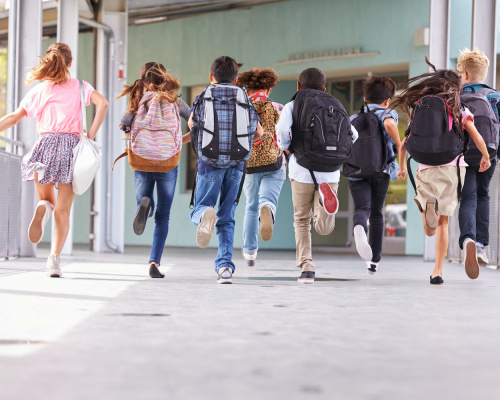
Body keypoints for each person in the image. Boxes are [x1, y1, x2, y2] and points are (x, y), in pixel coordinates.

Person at [0, 42, 108, 278]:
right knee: (63, 210)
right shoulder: (80, 87)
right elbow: (104, 104)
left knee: (46, 199)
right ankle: (54, 261)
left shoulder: (41, 90)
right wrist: (90, 133)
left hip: (44, 147)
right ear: (70, 63)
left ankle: (41, 208)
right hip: (71, 149)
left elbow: (15, 117)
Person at [395, 59, 491, 284]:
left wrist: (401, 167)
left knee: (430, 228)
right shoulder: (458, 107)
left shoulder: (420, 105)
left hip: (425, 168)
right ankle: (439, 270)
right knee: (444, 222)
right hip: (452, 168)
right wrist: (485, 156)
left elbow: (403, 144)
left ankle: (429, 207)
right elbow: (476, 136)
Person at [184, 56, 263, 284]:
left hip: (209, 162)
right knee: (227, 217)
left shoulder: (203, 97)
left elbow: (192, 125)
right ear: (237, 78)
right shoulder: (244, 98)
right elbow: (257, 132)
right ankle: (225, 268)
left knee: (201, 207)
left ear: (212, 77)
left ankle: (204, 216)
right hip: (237, 164)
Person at [276, 67, 358, 283]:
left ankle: (307, 268)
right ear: (324, 87)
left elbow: (282, 130)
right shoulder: (335, 104)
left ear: (298, 86)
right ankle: (325, 207)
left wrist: (285, 146)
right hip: (330, 173)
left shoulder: (293, 105)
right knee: (323, 227)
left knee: (301, 220)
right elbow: (353, 134)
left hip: (302, 169)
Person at [116, 62, 188, 279]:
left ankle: (144, 206)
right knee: (163, 215)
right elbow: (196, 122)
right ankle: (154, 261)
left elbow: (125, 124)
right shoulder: (174, 100)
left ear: (144, 81)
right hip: (168, 161)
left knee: (144, 201)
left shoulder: (138, 100)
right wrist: (179, 142)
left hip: (142, 159)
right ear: (164, 79)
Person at [348, 76, 402, 273]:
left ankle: (360, 225)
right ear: (387, 99)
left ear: (364, 98)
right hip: (381, 170)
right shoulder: (388, 113)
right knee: (377, 212)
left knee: (363, 208)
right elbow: (389, 125)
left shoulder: (353, 118)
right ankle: (374, 260)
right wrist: (399, 144)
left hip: (356, 170)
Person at [235, 67, 286, 266]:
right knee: (268, 199)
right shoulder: (277, 107)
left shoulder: (242, 108)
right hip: (274, 162)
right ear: (269, 88)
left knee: (250, 206)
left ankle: (249, 252)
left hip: (249, 163)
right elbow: (286, 137)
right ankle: (269, 208)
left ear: (247, 88)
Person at [456, 48, 500, 268]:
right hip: (489, 155)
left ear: (464, 74)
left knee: (468, 197)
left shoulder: (455, 97)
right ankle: (481, 246)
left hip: (461, 156)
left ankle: (468, 239)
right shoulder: (495, 96)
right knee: (483, 196)